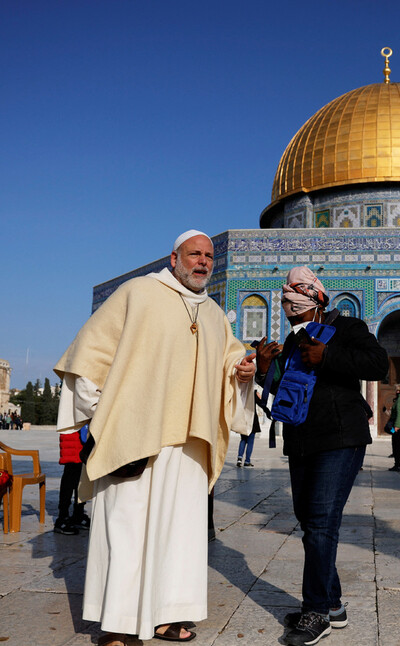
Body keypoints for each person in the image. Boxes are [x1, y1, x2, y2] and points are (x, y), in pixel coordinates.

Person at [53, 230, 256, 644]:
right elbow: (90, 353)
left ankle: (167, 615)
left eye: (209, 256)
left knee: (179, 535)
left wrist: (243, 370)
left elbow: (230, 357)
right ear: (174, 257)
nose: (202, 262)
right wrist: (104, 415)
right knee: (126, 530)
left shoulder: (215, 313)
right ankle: (118, 624)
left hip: (190, 443)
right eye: (194, 254)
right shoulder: (138, 293)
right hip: (137, 437)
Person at [255, 266, 388, 646]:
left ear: (316, 300)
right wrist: (266, 372)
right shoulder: (291, 343)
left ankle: (316, 611)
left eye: (296, 304)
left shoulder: (347, 329)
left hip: (340, 438)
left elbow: (378, 365)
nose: (290, 310)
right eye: (287, 306)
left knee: (321, 522)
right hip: (302, 441)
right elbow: (281, 399)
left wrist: (328, 355)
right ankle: (332, 604)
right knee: (308, 519)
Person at [54, 426, 87, 535]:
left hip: (79, 432)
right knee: (71, 474)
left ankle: (78, 514)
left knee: (81, 476)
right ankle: (62, 518)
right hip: (72, 433)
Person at [237, 385, 265, 467]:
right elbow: (261, 404)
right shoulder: (253, 394)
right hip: (252, 420)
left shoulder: (241, 394)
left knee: (243, 440)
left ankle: (239, 459)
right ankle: (247, 461)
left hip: (243, 419)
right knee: (250, 442)